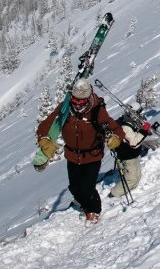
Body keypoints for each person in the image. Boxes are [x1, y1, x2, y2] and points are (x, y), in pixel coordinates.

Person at [37, 79, 125, 224]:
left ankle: (94, 209)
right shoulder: (66, 109)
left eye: (81, 103)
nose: (77, 105)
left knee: (87, 188)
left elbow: (116, 129)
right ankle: (85, 204)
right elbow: (47, 124)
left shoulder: (97, 110)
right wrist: (44, 139)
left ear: (88, 99)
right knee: (74, 187)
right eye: (74, 101)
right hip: (72, 155)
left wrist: (115, 138)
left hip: (92, 156)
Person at [109, 107, 160, 199]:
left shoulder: (131, 123)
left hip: (132, 155)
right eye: (138, 113)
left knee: (137, 176)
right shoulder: (126, 126)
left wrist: (146, 132)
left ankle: (130, 189)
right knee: (132, 178)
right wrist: (144, 131)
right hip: (127, 156)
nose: (139, 116)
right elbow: (134, 142)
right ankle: (114, 194)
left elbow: (136, 136)